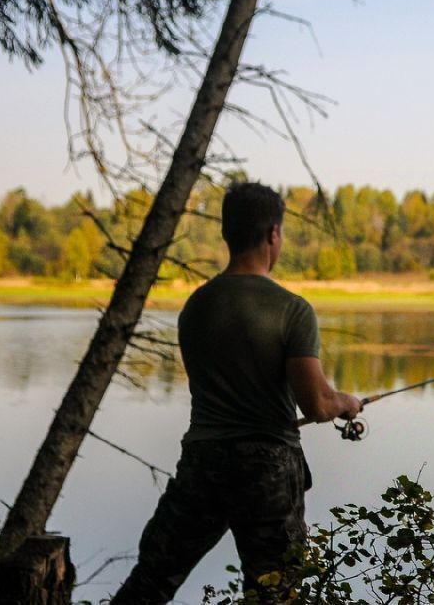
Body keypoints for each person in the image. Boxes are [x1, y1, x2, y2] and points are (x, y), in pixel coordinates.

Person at [111, 182, 362, 603]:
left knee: (153, 579)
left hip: (203, 460)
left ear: (228, 234)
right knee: (274, 592)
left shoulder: (197, 306)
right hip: (268, 468)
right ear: (273, 234)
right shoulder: (292, 310)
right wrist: (348, 403)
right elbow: (316, 404)